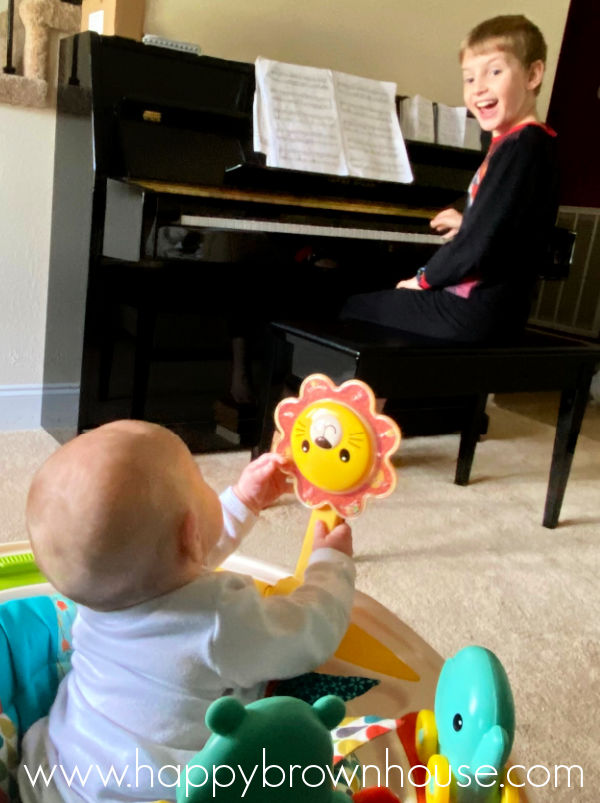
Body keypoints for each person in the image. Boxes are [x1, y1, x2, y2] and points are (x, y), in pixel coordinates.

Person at [18, 420, 355, 802]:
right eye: (202, 481)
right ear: (192, 532)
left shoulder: (99, 592)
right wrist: (330, 566)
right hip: (154, 793)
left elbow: (177, 555)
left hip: (58, 774)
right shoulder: (218, 619)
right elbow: (308, 634)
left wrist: (244, 500)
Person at [341, 14, 560, 343]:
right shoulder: (527, 144)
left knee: (351, 305)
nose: (479, 87)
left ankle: (374, 393)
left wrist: (423, 280)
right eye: (469, 79)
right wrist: (469, 222)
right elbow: (507, 226)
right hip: (495, 307)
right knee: (383, 292)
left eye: (495, 71)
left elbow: (476, 248)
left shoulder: (522, 146)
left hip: (474, 311)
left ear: (533, 74)